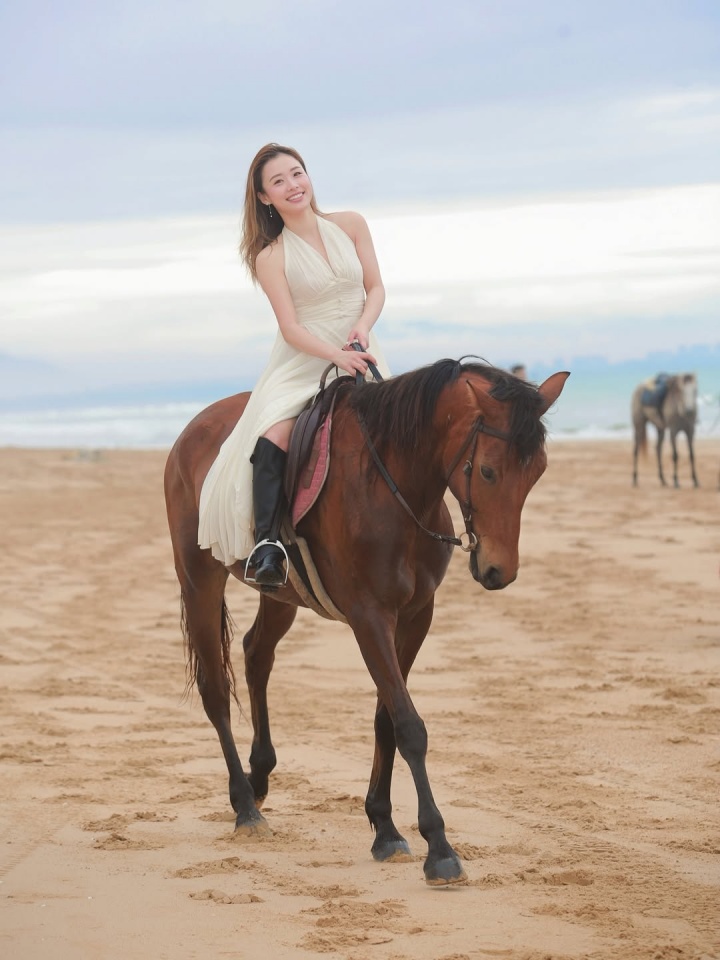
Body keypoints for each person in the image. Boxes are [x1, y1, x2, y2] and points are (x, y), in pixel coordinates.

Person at [197, 143, 390, 587]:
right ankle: (268, 544)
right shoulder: (271, 256)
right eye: (278, 182)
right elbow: (289, 328)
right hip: (305, 360)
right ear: (265, 197)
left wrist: (362, 326)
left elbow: (376, 287)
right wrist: (336, 355)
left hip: (361, 347)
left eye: (297, 173)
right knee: (277, 435)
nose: (292, 185)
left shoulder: (351, 224)